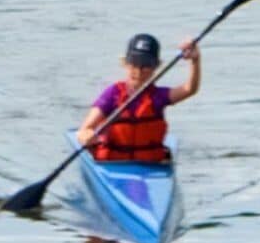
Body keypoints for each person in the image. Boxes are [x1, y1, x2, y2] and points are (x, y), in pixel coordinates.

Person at [79, 32, 204, 169]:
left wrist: (195, 60)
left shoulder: (158, 97)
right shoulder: (112, 94)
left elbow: (189, 89)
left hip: (150, 168)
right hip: (113, 166)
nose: (138, 70)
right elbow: (85, 129)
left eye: (146, 65)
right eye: (134, 63)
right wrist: (86, 136)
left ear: (156, 67)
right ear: (125, 63)